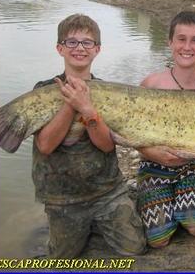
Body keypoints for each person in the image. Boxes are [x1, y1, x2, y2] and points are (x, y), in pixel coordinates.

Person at [32, 14, 147, 258]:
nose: (80, 48)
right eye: (72, 42)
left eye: (87, 42)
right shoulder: (42, 91)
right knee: (62, 258)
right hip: (63, 198)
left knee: (134, 249)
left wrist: (87, 109)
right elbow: (45, 145)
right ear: (60, 48)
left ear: (97, 50)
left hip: (107, 192)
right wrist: (71, 104)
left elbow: (106, 145)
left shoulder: (108, 92)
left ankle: (96, 225)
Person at [136, 11, 195, 248]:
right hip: (153, 167)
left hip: (192, 165)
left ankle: (185, 203)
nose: (187, 46)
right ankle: (163, 204)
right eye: (181, 39)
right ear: (170, 42)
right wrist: (153, 154)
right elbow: (133, 132)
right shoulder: (152, 84)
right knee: (158, 241)